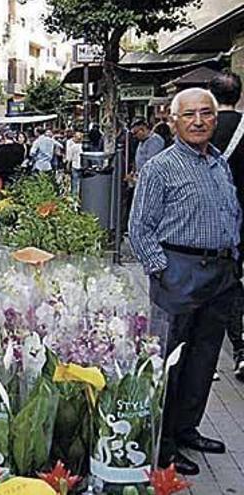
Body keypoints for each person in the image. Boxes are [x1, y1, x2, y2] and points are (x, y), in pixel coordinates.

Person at [128, 88, 242, 477]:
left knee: (203, 359)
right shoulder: (160, 167)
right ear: (173, 121)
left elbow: (231, 213)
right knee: (170, 363)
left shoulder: (219, 164)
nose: (198, 121)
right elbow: (139, 228)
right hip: (179, 273)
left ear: (215, 118)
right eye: (189, 114)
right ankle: (163, 444)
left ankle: (186, 428)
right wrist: (162, 270)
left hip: (221, 275)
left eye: (206, 113)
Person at [209, 70, 244, 381]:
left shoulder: (203, 128)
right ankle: (241, 352)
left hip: (209, 221)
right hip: (242, 219)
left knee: (209, 283)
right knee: (235, 282)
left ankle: (204, 356)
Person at [66, 131, 84, 196]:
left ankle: (74, 197)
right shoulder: (84, 147)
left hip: (75, 166)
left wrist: (67, 166)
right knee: (82, 182)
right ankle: (81, 195)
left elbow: (69, 158)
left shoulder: (73, 147)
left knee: (74, 182)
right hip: (82, 166)